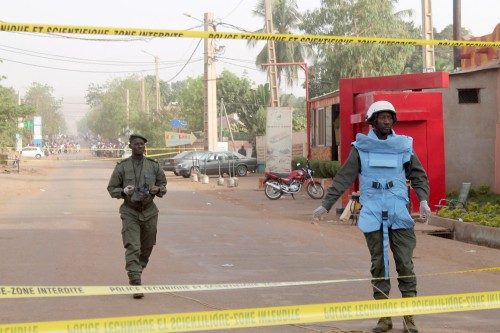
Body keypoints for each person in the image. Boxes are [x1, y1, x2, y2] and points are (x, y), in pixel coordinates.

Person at [312, 101, 431, 333]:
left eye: (389, 117)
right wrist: (326, 205)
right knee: (379, 265)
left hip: (399, 210)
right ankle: (384, 317)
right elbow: (344, 176)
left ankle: (409, 317)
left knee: (405, 263)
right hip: (373, 210)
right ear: (372, 121)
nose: (386, 121)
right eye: (381, 117)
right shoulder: (361, 147)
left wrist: (423, 200)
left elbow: (419, 176)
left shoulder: (404, 145)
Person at [107, 134, 167, 299]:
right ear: (130, 146)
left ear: (145, 147)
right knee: (133, 246)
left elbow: (163, 185)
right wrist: (123, 191)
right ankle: (135, 282)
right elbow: (111, 188)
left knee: (147, 246)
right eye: (136, 144)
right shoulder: (122, 167)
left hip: (149, 211)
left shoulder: (153, 166)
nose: (139, 147)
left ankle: (137, 269)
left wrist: (158, 189)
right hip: (130, 211)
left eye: (141, 144)